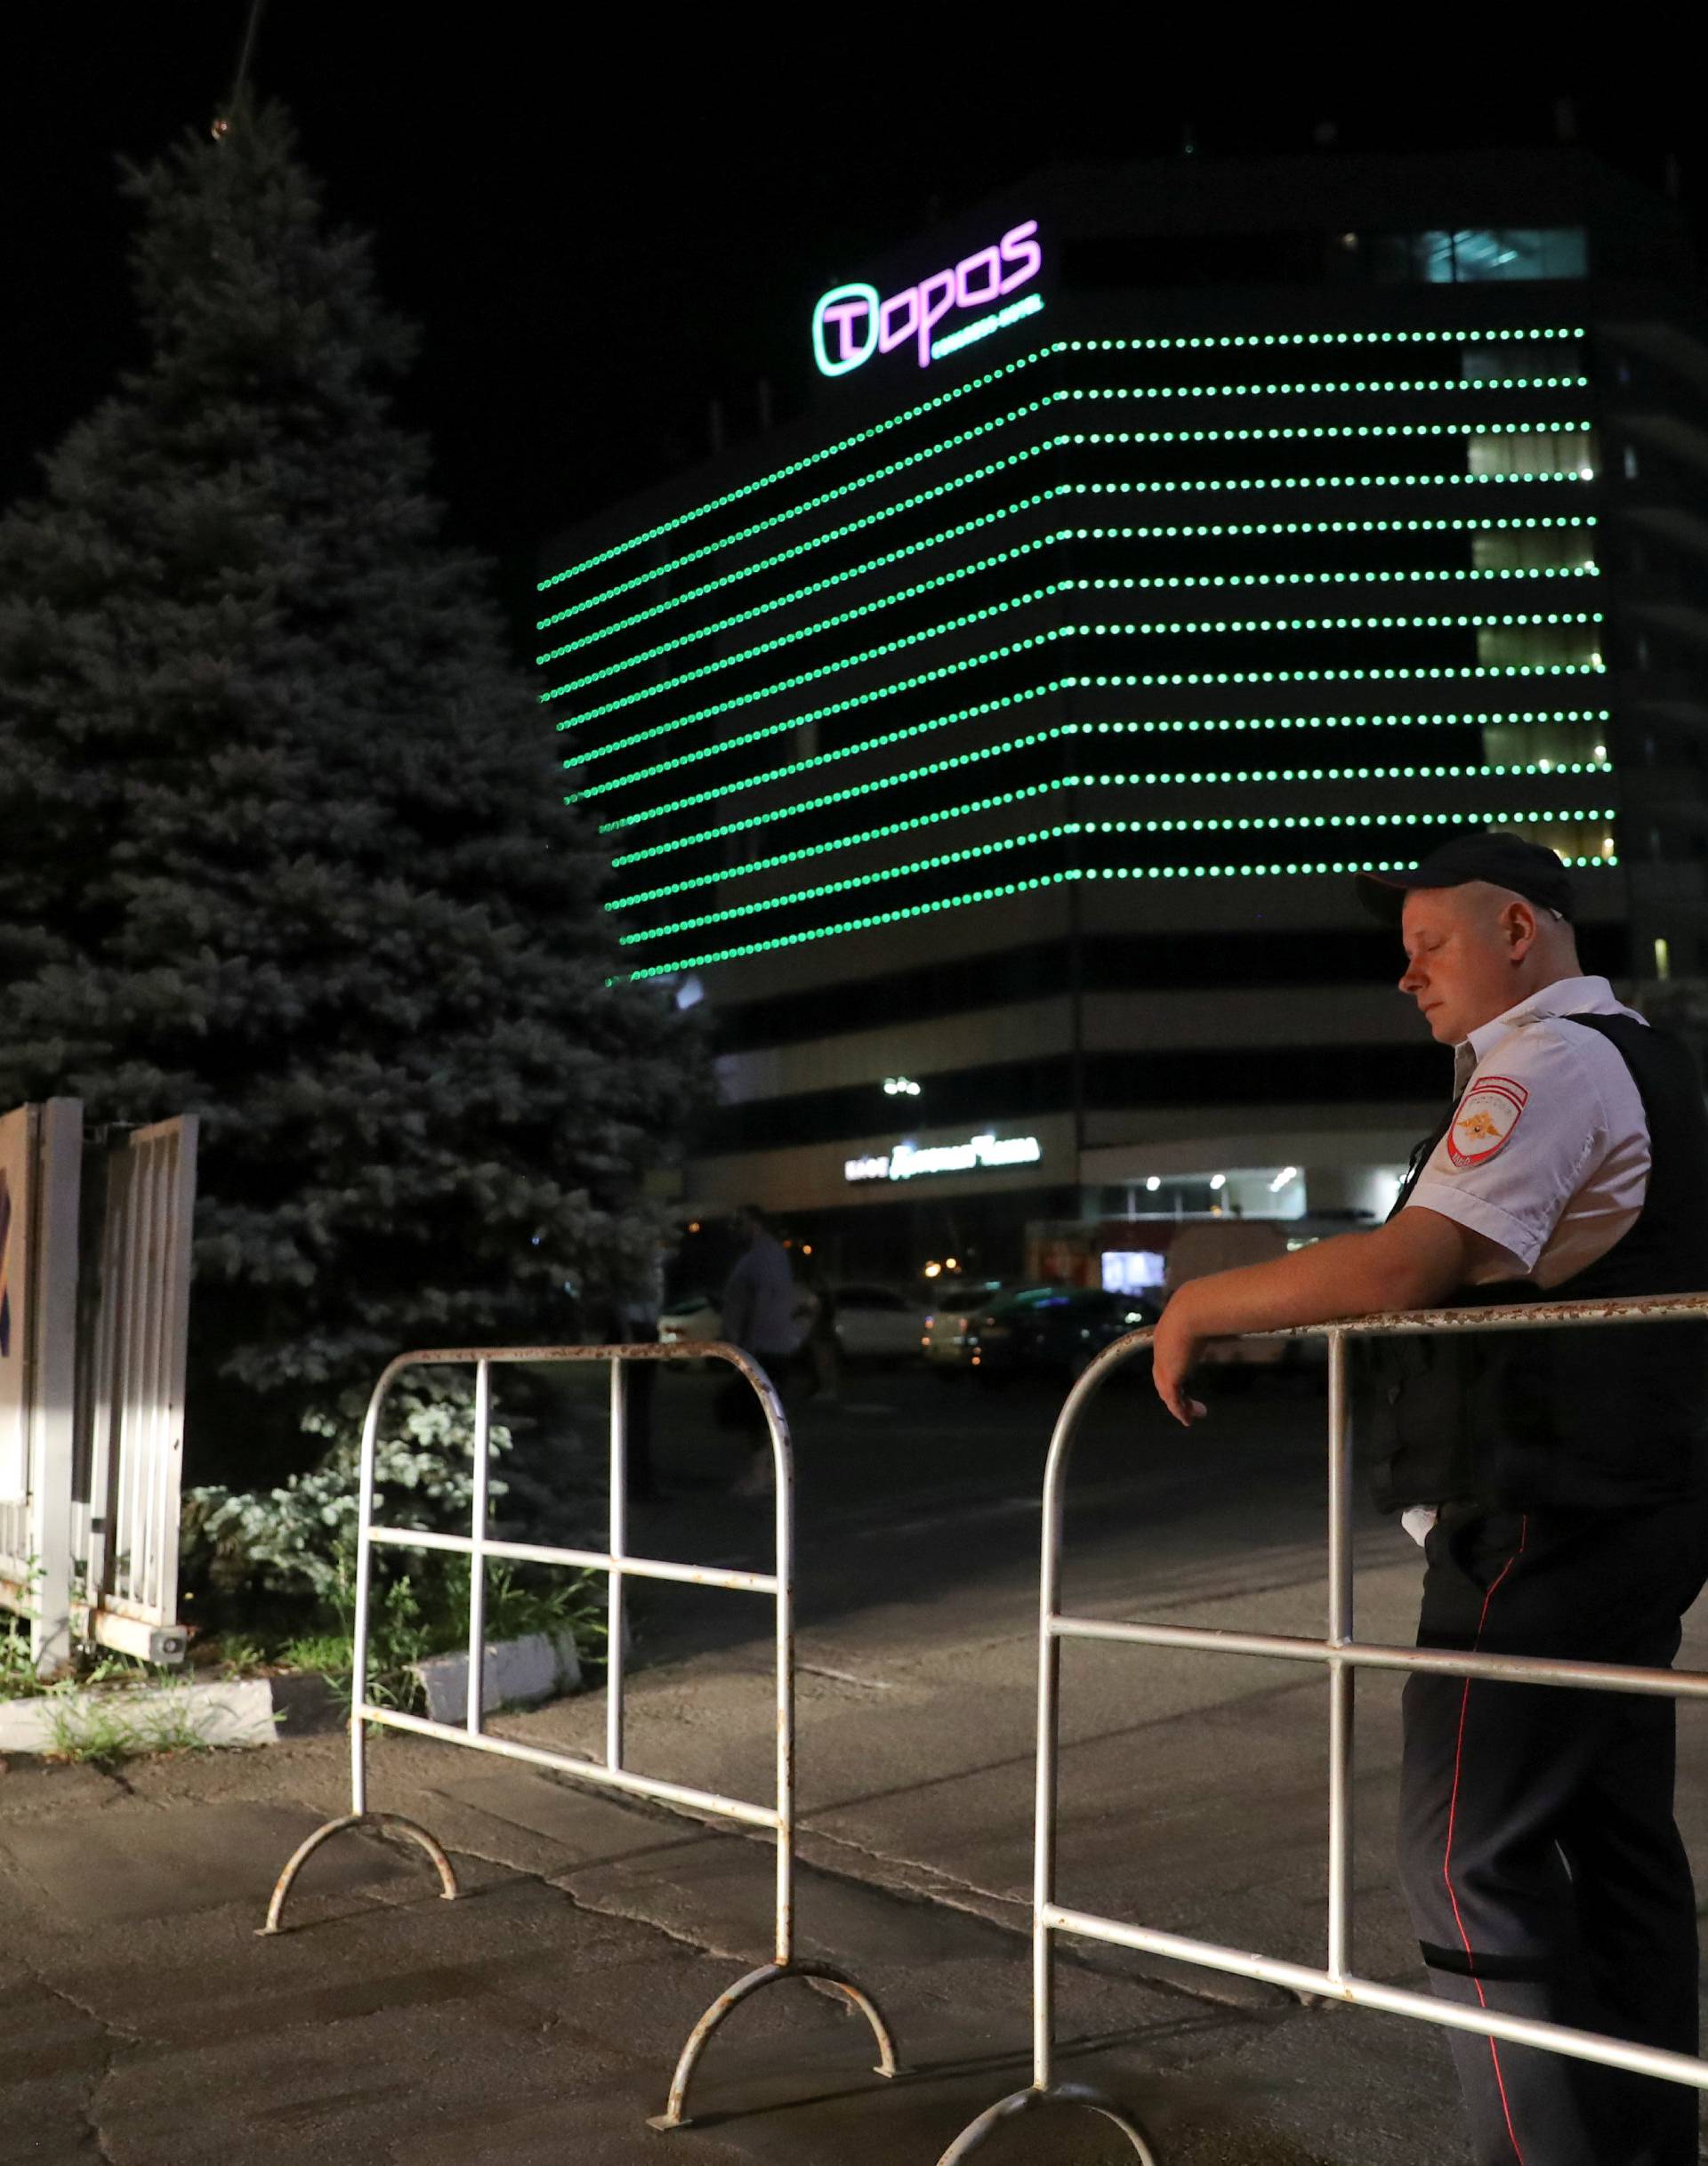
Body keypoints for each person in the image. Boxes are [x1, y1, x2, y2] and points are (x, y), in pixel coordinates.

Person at [1150, 831, 1708, 2166]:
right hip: (1628, 1504)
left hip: (1540, 1515)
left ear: (1520, 928)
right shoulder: (1650, 1058)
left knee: (1466, 1856)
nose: (1406, 976)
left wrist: (1200, 1299)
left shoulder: (1552, 1063)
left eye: (1430, 945)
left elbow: (1411, 1264)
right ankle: (1646, 2139)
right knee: (1612, 1838)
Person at [719, 1204, 803, 1495]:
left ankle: (762, 1474)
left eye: (740, 1222)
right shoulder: (768, 1256)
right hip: (766, 1345)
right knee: (764, 1412)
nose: (735, 1229)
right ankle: (767, 1471)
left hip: (761, 1348)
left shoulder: (762, 1258)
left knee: (756, 1414)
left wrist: (746, 1346)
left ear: (756, 1223)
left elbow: (761, 1303)